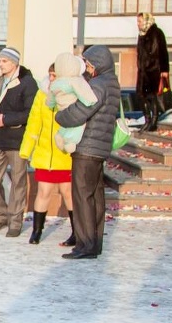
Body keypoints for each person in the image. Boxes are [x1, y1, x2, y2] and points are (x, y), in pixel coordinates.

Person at [54, 46, 120, 259]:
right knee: (95, 197)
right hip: (99, 147)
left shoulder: (98, 85)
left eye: (90, 64)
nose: (88, 68)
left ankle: (85, 245)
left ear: (99, 63)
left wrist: (61, 116)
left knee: (82, 196)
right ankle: (94, 243)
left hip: (88, 146)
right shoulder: (111, 82)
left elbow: (82, 111)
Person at [0, 47, 37, 237]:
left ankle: (15, 222)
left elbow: (30, 113)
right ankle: (0, 216)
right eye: (0, 61)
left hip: (16, 140)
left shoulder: (27, 83)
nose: (0, 64)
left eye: (4, 61)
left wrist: (7, 119)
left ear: (14, 63)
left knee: (18, 182)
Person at [20, 62, 75, 246]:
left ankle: (76, 231)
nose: (52, 79)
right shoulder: (41, 94)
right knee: (43, 191)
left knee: (67, 192)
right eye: (50, 75)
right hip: (45, 154)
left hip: (65, 153)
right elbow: (33, 123)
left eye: (55, 75)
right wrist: (26, 150)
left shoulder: (71, 95)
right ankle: (37, 231)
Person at [47, 52, 98, 153]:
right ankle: (70, 143)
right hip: (73, 107)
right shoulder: (76, 81)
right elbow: (85, 94)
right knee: (77, 127)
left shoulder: (55, 83)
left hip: (61, 109)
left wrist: (51, 104)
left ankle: (60, 136)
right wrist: (90, 101)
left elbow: (50, 100)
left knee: (64, 127)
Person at [136, 12, 170, 131]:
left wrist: (165, 70)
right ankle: (147, 120)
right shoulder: (141, 35)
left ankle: (154, 121)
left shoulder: (157, 33)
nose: (138, 24)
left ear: (146, 21)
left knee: (153, 96)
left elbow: (163, 52)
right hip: (143, 72)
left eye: (140, 21)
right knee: (141, 96)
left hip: (154, 71)